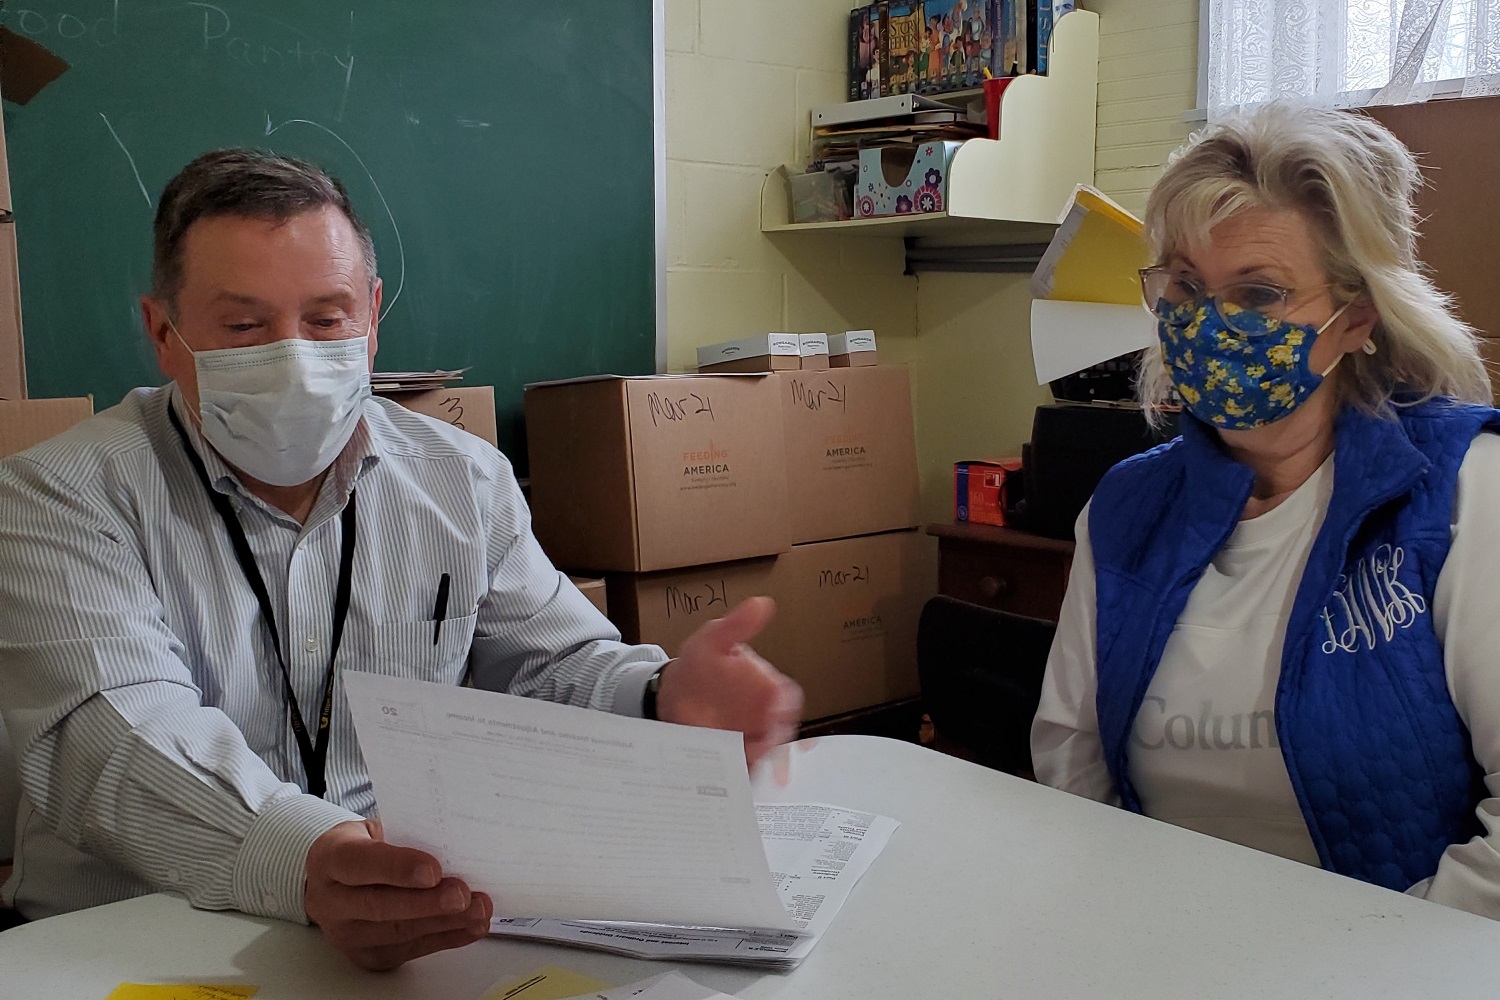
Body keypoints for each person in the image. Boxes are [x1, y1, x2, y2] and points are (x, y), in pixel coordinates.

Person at [0, 150, 803, 968]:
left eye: (326, 319)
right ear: (164, 333)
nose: (294, 359)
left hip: (410, 924)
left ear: (374, 315)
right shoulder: (56, 495)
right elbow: (118, 739)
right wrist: (312, 860)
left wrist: (661, 693)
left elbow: (548, 666)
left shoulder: (462, 478)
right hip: (135, 943)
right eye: (244, 327)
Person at [1032, 104, 1500, 919]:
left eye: (1258, 293)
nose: (1210, 323)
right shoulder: (1128, 504)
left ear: (1358, 315)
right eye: (1184, 284)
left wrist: (1388, 957)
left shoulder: (1464, 491)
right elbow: (1070, 754)